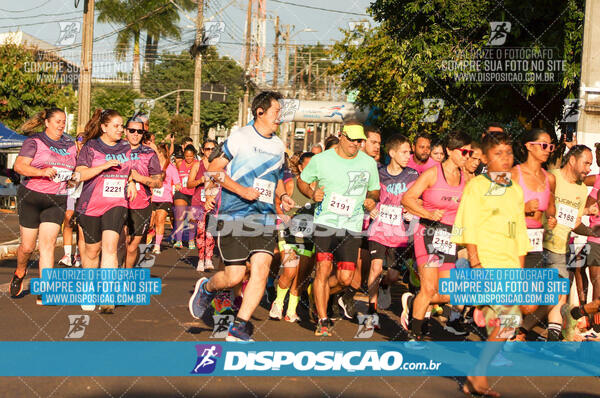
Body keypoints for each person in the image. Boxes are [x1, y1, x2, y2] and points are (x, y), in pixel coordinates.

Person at [188, 91, 295, 342]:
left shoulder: (279, 145)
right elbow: (213, 171)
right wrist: (241, 191)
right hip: (234, 213)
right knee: (234, 276)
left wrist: (282, 197)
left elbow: (276, 178)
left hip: (264, 217)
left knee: (262, 268)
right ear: (260, 112)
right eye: (276, 111)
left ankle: (239, 326)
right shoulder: (240, 138)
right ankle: (207, 287)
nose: (280, 116)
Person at [451, 131, 531, 397]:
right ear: (485, 157)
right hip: (486, 262)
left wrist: (520, 272)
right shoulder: (476, 186)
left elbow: (520, 233)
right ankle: (477, 375)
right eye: (498, 154)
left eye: (509, 153)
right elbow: (468, 224)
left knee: (512, 319)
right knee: (508, 317)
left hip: (510, 263)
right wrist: (475, 263)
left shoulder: (515, 190)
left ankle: (478, 374)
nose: (505, 159)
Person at [297, 123, 380, 336]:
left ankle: (318, 294)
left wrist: (371, 200)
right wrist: (310, 194)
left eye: (359, 141)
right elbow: (302, 181)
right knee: (323, 269)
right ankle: (323, 320)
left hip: (351, 226)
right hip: (325, 222)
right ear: (341, 137)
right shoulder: (321, 160)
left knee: (345, 279)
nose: (356, 144)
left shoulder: (368, 163)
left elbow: (375, 190)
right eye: (352, 139)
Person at [401, 131, 472, 339]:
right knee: (429, 287)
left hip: (449, 237)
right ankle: (414, 334)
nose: (466, 157)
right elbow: (408, 199)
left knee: (445, 293)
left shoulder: (465, 178)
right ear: (450, 150)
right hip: (428, 233)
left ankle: (414, 303)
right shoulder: (432, 174)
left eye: (469, 153)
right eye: (463, 152)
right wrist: (429, 214)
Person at [10, 108, 77, 304]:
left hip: (56, 199)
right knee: (28, 247)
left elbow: (73, 169)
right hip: (32, 197)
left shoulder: (69, 144)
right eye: (57, 121)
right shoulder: (35, 141)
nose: (61, 125)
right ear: (47, 122)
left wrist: (72, 178)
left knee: (47, 245)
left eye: (63, 121)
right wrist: (42, 172)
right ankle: (20, 270)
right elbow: (19, 166)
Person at [75, 109, 137, 313]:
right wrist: (102, 167)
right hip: (91, 204)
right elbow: (79, 175)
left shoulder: (126, 148)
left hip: (116, 203)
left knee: (111, 247)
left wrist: (132, 182)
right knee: (92, 251)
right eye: (117, 126)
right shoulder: (91, 147)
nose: (121, 130)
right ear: (104, 127)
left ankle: (107, 295)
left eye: (122, 126)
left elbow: (130, 171)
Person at [543, 145, 596, 341]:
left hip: (562, 247)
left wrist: (591, 231)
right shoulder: (551, 177)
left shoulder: (582, 190)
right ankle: (513, 332)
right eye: (586, 163)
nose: (589, 169)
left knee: (559, 294)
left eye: (590, 164)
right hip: (536, 244)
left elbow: (574, 222)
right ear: (572, 160)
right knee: (529, 298)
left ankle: (553, 337)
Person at [366, 134, 419, 329]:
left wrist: (411, 210)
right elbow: (368, 194)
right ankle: (372, 312)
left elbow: (418, 199)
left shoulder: (413, 176)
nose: (408, 156)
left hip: (400, 233)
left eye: (410, 153)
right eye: (404, 152)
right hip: (378, 228)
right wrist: (370, 206)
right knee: (376, 268)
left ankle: (385, 286)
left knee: (394, 276)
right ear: (392, 153)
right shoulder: (378, 172)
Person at [270, 151, 316, 322]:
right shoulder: (291, 185)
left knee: (301, 275)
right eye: (308, 165)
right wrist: (284, 216)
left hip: (308, 236)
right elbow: (277, 202)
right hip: (288, 234)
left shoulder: (319, 188)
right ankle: (278, 303)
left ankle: (292, 310)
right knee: (289, 271)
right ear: (300, 166)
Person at [124, 116, 162, 268]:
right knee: (122, 242)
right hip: (118, 203)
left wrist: (139, 178)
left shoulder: (148, 153)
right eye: (132, 130)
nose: (135, 134)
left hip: (141, 205)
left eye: (139, 131)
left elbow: (158, 182)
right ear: (125, 131)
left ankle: (127, 275)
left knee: (134, 245)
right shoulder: (116, 149)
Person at [187, 139, 219, 271]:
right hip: (198, 202)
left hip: (212, 202)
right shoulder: (197, 165)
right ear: (202, 150)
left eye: (212, 149)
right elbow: (189, 184)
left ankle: (208, 258)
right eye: (207, 149)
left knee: (210, 232)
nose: (210, 151)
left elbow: (223, 182)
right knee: (200, 231)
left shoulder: (219, 165)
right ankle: (200, 259)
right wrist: (200, 180)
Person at [58, 134, 85, 268]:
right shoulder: (70, 155)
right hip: (72, 190)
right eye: (80, 141)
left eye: (85, 142)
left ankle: (78, 254)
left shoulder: (89, 156)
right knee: (68, 218)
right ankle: (67, 255)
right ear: (76, 142)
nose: (82, 144)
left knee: (81, 224)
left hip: (85, 191)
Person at [150, 144, 180, 254]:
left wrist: (177, 186)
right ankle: (150, 234)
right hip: (152, 197)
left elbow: (177, 182)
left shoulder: (171, 167)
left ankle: (157, 245)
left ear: (161, 153)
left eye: (156, 153)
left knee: (160, 220)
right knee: (150, 222)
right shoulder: (153, 165)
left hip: (165, 198)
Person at [173, 144, 199, 249]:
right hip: (181, 192)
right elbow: (173, 175)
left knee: (192, 218)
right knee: (179, 215)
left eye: (191, 156)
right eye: (187, 156)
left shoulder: (198, 164)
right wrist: (176, 183)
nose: (188, 158)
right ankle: (179, 240)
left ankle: (191, 240)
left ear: (194, 156)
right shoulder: (179, 164)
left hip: (194, 193)